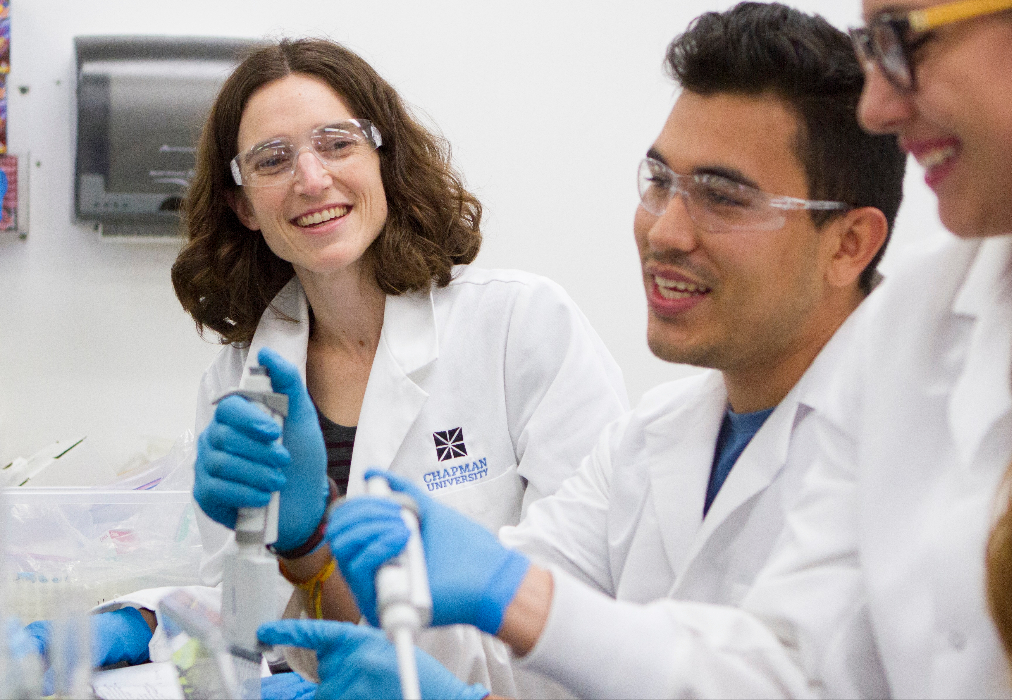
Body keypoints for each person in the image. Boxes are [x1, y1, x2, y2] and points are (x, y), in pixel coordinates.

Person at [282, 0, 1012, 697]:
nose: (880, 103)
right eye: (658, 181)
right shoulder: (915, 324)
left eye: (903, 40)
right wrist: (338, 556)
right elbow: (786, 665)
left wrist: (505, 601)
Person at [268, 4, 906, 697]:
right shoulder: (651, 441)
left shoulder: (911, 448)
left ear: (849, 244)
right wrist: (309, 546)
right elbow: (493, 652)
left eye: (721, 197)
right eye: (659, 182)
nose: (665, 232)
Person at [36, 37, 628, 695]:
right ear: (243, 205)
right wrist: (144, 615)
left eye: (337, 143)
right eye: (272, 159)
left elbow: (591, 609)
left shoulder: (522, 327)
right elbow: (253, 619)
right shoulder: (238, 387)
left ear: (385, 159)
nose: (311, 179)